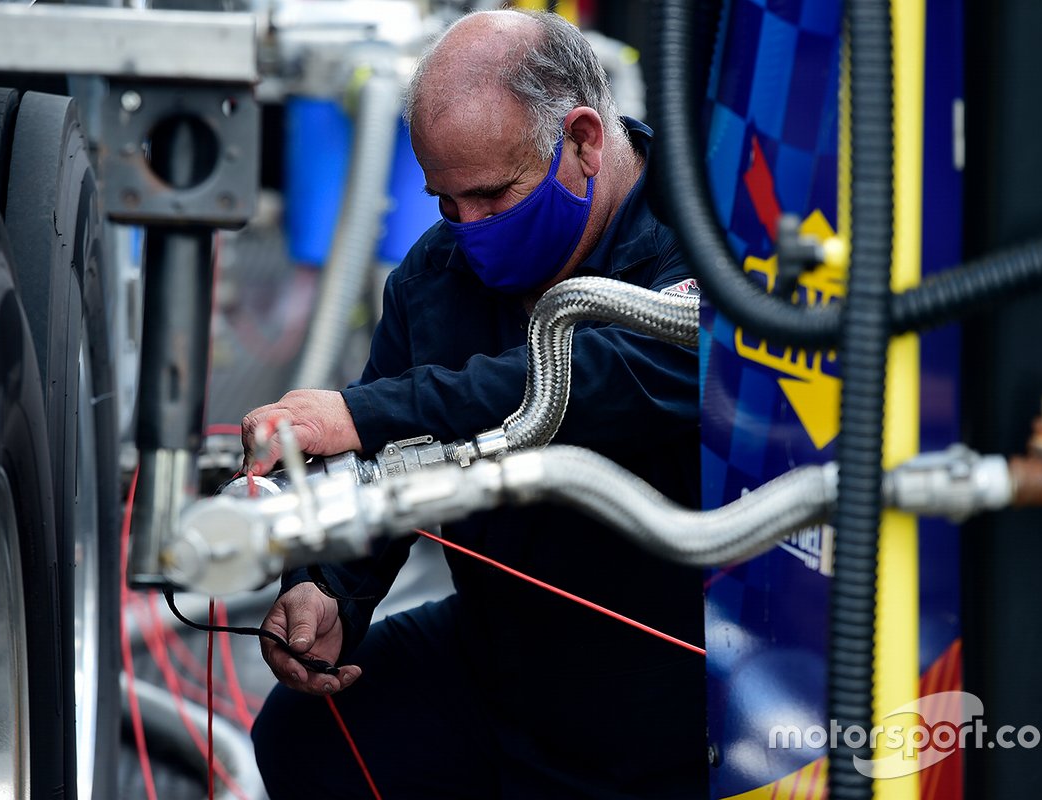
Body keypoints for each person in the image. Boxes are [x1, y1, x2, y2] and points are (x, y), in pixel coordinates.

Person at [246, 9, 706, 799]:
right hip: (506, 668)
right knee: (307, 735)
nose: (470, 229)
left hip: (682, 705)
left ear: (585, 140)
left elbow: (611, 379)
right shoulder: (436, 276)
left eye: (493, 197)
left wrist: (367, 412)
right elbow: (381, 470)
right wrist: (326, 589)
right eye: (445, 203)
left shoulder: (708, 238)